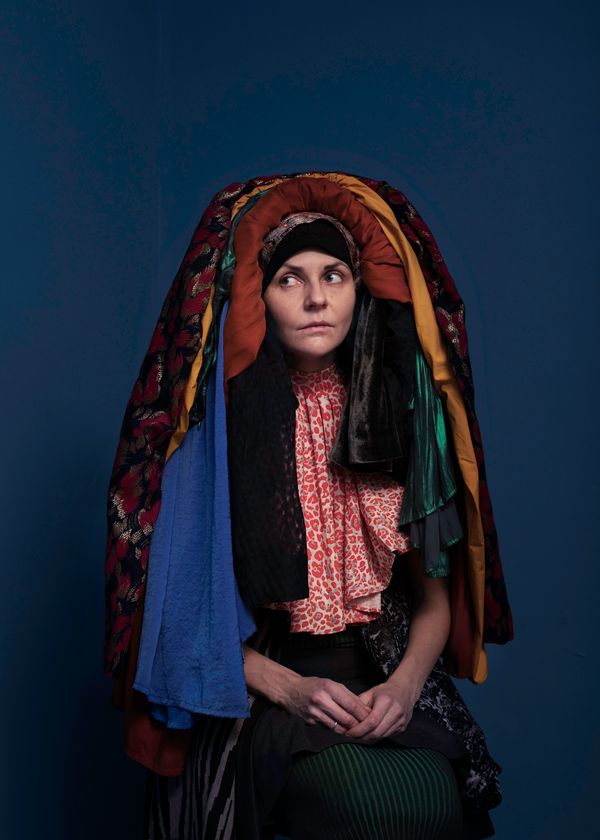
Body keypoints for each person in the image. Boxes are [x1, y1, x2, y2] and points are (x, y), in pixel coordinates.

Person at [104, 171, 513, 840]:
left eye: (334, 276)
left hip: (382, 675)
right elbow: (178, 617)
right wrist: (291, 689)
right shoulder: (219, 428)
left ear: (358, 290)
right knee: (368, 810)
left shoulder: (397, 412)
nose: (317, 298)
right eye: (290, 279)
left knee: (432, 805)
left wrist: (404, 689)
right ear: (258, 297)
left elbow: (434, 602)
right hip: (260, 687)